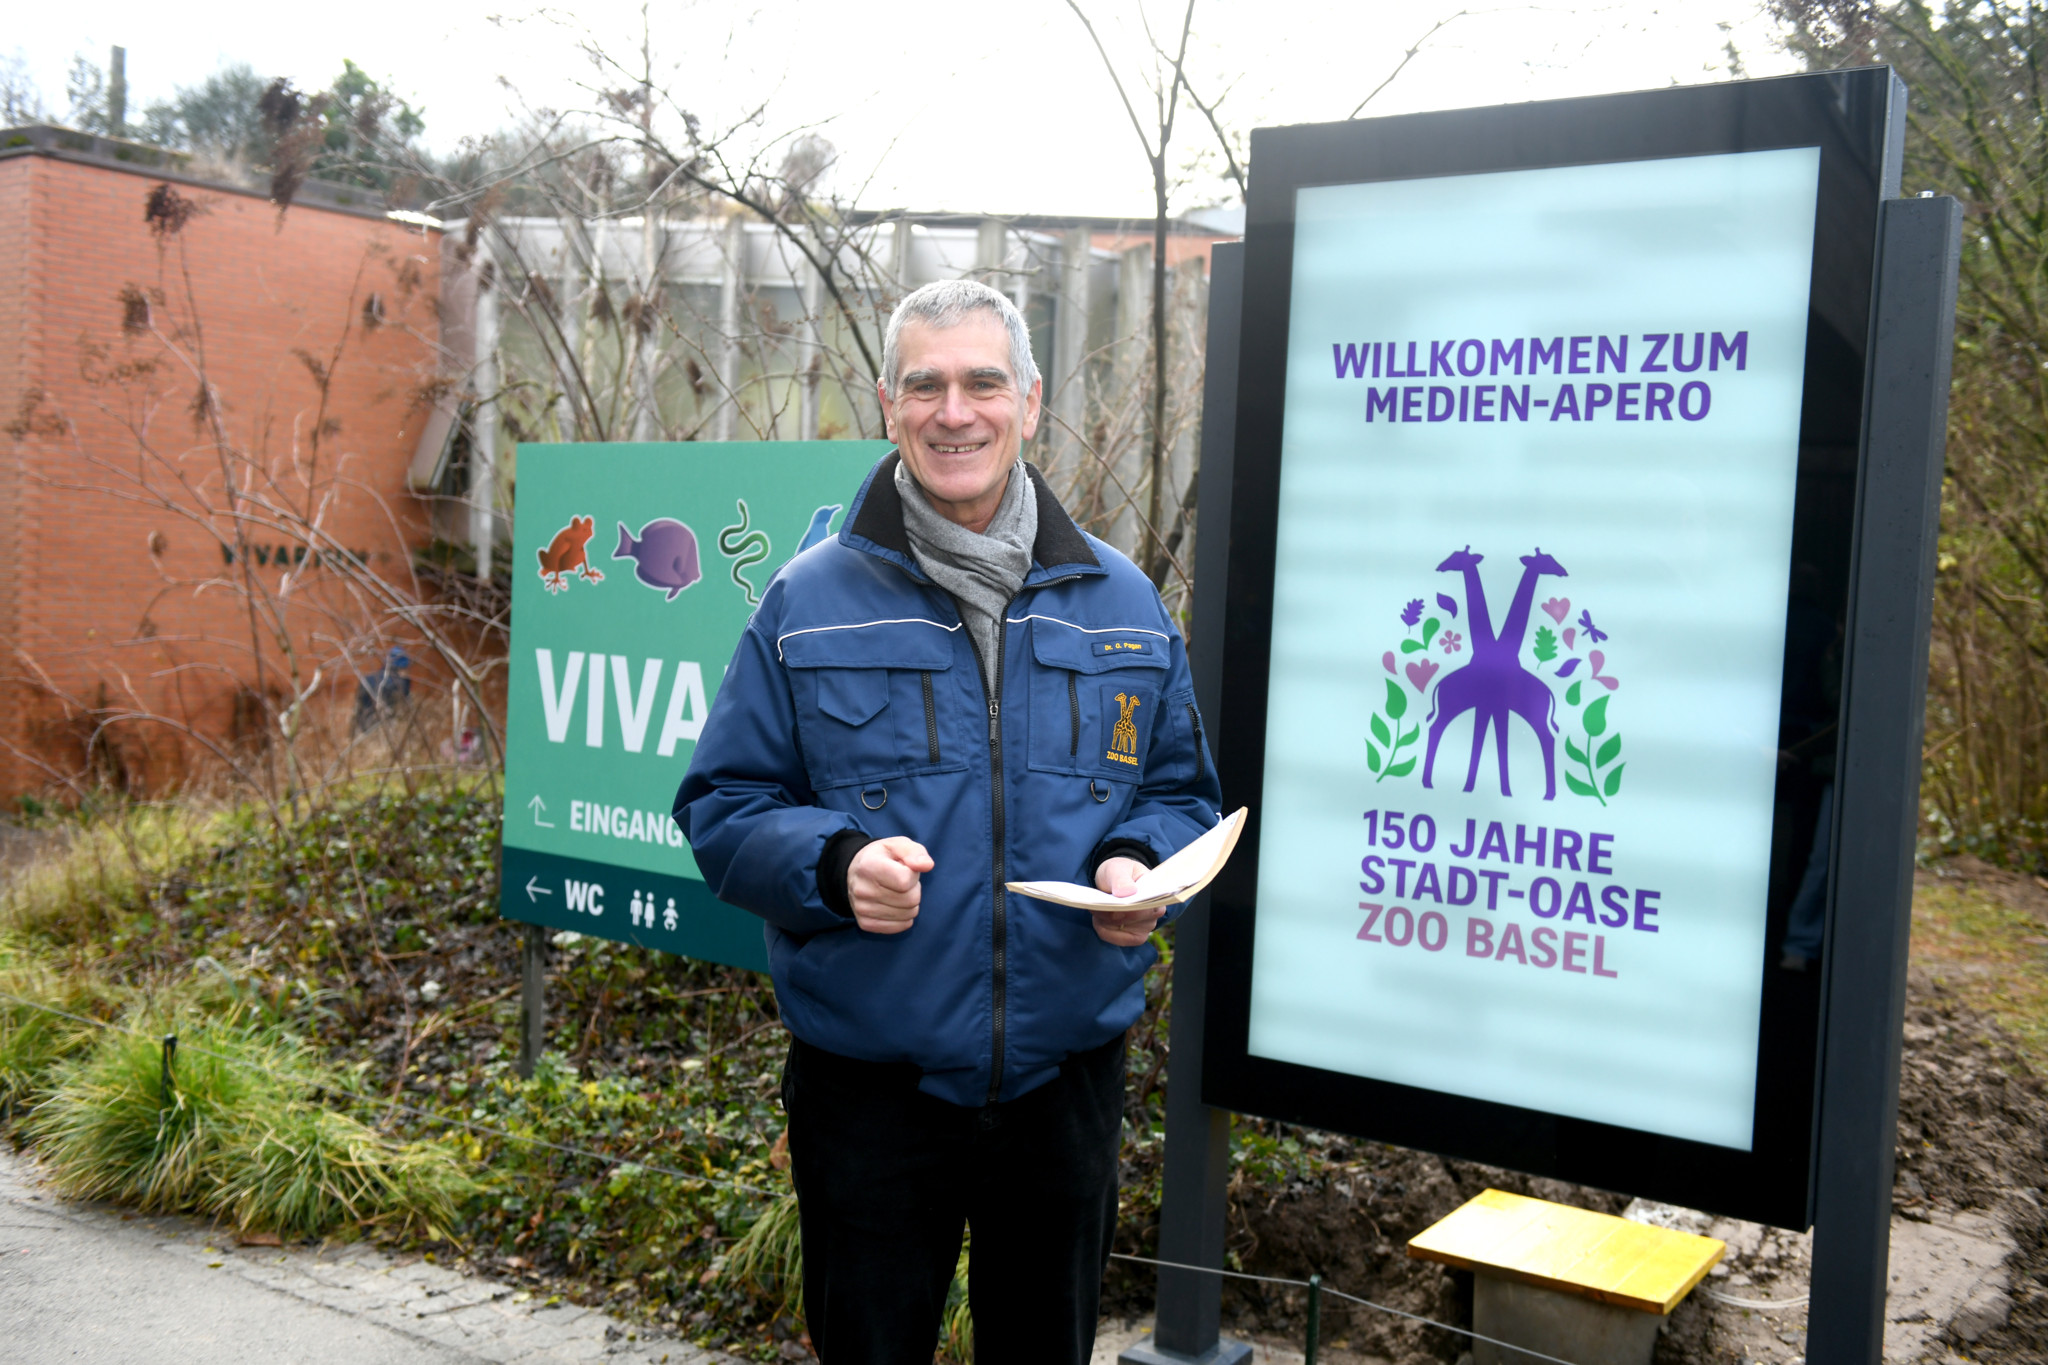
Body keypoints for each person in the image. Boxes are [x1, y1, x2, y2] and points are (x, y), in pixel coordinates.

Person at [674, 279, 1221, 1364]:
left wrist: (1132, 867)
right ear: (887, 404)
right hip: (870, 1095)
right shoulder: (805, 599)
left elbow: (1175, 794)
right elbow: (722, 806)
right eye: (924, 385)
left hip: (1062, 1088)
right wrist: (833, 867)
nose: (952, 411)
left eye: (980, 382)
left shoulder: (1120, 601)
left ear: (1026, 400)